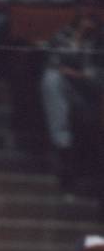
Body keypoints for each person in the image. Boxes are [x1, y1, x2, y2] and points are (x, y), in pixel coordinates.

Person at [40, 10, 104, 193]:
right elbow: (53, 62)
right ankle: (62, 143)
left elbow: (97, 77)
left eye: (91, 19)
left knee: (56, 82)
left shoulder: (99, 40)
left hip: (88, 94)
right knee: (51, 80)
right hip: (63, 89)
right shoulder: (64, 34)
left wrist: (76, 74)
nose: (87, 23)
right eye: (85, 18)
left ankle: (64, 145)